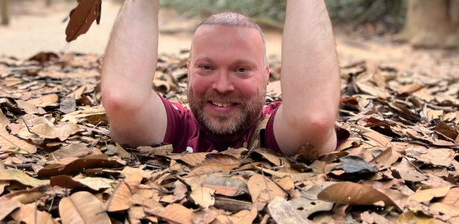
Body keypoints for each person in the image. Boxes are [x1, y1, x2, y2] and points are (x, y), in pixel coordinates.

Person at [101, 0, 348, 156]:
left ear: (265, 75)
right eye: (207, 67)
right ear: (189, 71)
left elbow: (313, 117)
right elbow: (122, 100)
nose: (221, 86)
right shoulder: (177, 129)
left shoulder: (272, 133)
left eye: (241, 69)